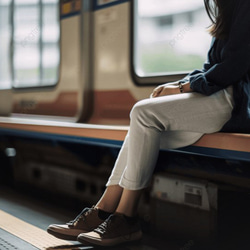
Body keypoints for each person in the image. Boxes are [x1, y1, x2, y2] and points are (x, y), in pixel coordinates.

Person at [47, 0, 250, 246]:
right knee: (141, 128)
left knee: (143, 113)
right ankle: (103, 210)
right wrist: (179, 84)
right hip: (220, 97)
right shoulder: (228, 7)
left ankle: (126, 217)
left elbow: (235, 66)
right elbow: (211, 67)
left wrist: (184, 87)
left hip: (234, 101)